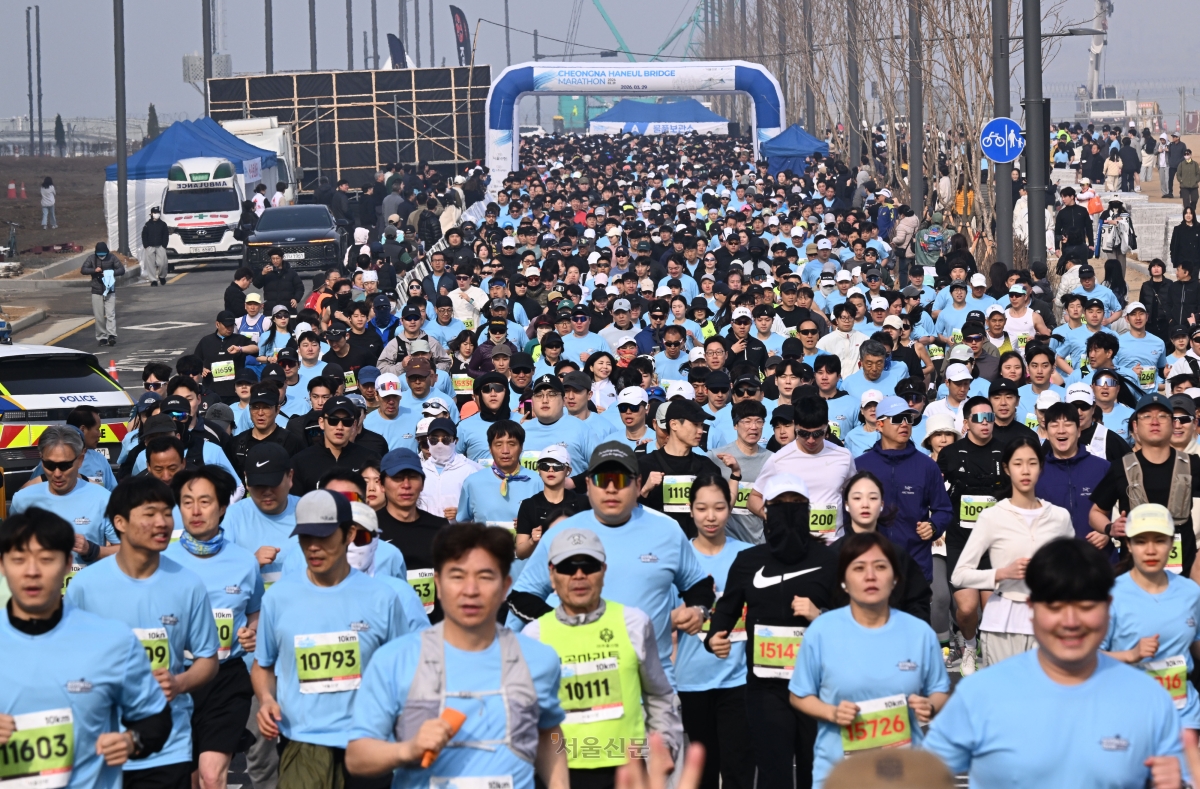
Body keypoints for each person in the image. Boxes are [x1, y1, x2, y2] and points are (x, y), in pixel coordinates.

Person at [923, 538, 1186, 788]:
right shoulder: (979, 695)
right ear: (1031, 608)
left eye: (1085, 605)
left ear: (1108, 607)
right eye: (1055, 606)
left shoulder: (1150, 699)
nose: (1070, 621)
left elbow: (1176, 773)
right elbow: (920, 777)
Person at [345, 522, 570, 789]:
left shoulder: (539, 659)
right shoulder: (394, 660)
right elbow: (357, 757)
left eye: (485, 576)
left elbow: (549, 733)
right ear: (438, 584)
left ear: (505, 586)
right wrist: (407, 750)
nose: (471, 590)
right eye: (457, 576)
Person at [509, 442, 716, 689]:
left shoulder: (667, 529)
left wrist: (699, 610)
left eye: (620, 479)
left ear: (638, 484)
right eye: (601, 479)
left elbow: (698, 584)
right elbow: (522, 596)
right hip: (581, 683)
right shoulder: (563, 532)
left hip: (650, 686)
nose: (610, 488)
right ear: (588, 485)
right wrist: (569, 627)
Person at [0, 507, 175, 789]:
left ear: (68, 562)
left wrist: (131, 741)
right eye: (19, 560)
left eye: (46, 559)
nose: (32, 572)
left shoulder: (112, 640)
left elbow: (155, 718)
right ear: (2, 565)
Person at [67, 477, 221, 789]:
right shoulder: (84, 587)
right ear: (120, 522)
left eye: (167, 512)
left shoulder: (188, 584)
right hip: (101, 747)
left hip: (169, 745)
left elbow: (208, 659)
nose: (162, 522)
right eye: (149, 514)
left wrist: (179, 683)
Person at [251, 489, 409, 789]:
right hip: (302, 742)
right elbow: (263, 665)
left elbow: (401, 673)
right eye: (305, 537)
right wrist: (267, 699)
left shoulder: (382, 598)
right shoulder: (279, 597)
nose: (313, 547)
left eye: (323, 536)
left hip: (368, 742)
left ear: (349, 533)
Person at [522, 528, 684, 788]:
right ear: (552, 575)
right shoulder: (534, 636)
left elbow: (659, 695)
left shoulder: (634, 623)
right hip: (559, 774)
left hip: (626, 771)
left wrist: (664, 749)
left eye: (589, 565)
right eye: (567, 567)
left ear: (604, 571)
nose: (579, 575)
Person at [705, 473, 837, 789]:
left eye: (796, 505)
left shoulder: (828, 559)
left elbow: (849, 620)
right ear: (765, 510)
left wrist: (818, 615)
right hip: (765, 688)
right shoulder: (748, 561)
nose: (788, 511)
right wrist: (715, 637)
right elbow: (727, 608)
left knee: (814, 773)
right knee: (773, 774)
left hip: (816, 686)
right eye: (780, 505)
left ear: (808, 510)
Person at [789, 531, 950, 788]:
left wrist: (929, 705)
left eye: (880, 567)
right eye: (859, 568)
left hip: (904, 773)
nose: (870, 576)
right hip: (838, 773)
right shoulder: (821, 631)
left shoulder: (920, 633)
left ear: (895, 578)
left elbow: (940, 689)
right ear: (843, 580)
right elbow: (799, 694)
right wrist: (831, 712)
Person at [164, 466, 263, 789]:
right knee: (186, 777)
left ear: (222, 508)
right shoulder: (162, 558)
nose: (195, 510)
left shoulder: (244, 561)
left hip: (226, 679)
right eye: (187, 501)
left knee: (211, 774)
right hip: (177, 676)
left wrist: (252, 632)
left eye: (205, 502)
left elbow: (255, 612)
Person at [951, 437, 1075, 666]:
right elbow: (959, 575)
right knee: (1004, 697)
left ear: (1041, 466)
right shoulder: (991, 517)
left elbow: (1075, 573)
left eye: (1032, 463)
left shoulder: (1060, 517)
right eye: (1018, 464)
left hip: (1049, 621)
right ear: (1006, 468)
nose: (1025, 471)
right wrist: (1001, 573)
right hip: (1001, 624)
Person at [674, 475, 755, 789]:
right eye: (702, 508)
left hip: (739, 680)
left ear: (730, 507)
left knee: (739, 771)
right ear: (690, 509)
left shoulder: (748, 557)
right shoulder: (678, 558)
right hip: (692, 681)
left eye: (719, 508)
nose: (711, 516)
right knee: (702, 775)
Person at [1103, 502, 1200, 746]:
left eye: (1159, 540)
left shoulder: (1191, 592)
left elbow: (1196, 645)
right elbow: (1085, 658)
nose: (1151, 550)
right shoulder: (1110, 596)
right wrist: (1131, 654)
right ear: (1128, 545)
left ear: (1171, 544)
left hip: (1183, 714)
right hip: (1127, 713)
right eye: (1141, 541)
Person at [1090, 392, 1200, 584]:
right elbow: (1096, 512)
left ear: (1173, 423)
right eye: (1147, 416)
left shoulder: (1193, 465)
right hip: (1134, 574)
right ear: (1135, 426)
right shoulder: (1120, 468)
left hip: (1183, 577)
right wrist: (1110, 528)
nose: (1155, 421)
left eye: (1163, 416)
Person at [936, 396, 1007, 675]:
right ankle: (968, 644)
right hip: (960, 541)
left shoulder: (1005, 451)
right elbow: (938, 493)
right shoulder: (951, 454)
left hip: (994, 544)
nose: (986, 423)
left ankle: (989, 656)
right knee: (966, 610)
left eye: (989, 417)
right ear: (966, 423)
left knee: (991, 611)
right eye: (978, 418)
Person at [11, 425, 118, 577]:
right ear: (41, 460)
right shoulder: (22, 500)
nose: (57, 473)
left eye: (65, 465)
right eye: (50, 465)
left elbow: (125, 551)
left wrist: (92, 550)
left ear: (80, 460)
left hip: (86, 597)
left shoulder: (104, 499)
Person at [748, 395, 856, 545]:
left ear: (826, 428)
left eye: (817, 434)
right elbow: (754, 498)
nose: (811, 440)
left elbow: (853, 495)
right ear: (795, 427)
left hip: (834, 546)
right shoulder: (778, 459)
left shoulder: (844, 456)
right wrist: (775, 518)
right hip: (794, 545)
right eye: (803, 434)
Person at [830, 471, 932, 622]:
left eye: (873, 498)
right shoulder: (832, 555)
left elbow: (918, 603)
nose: (865, 504)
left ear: (881, 504)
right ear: (846, 505)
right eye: (857, 498)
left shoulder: (897, 555)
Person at [373, 448, 452, 620]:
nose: (406, 485)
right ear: (381, 484)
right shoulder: (369, 530)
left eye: (413, 477)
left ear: (422, 483)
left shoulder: (440, 528)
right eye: (397, 478)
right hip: (387, 625)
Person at [638, 399, 727, 538]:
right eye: (695, 424)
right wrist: (644, 491)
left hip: (698, 550)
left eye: (702, 425)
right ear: (674, 424)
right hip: (659, 549)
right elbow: (629, 517)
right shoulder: (644, 465)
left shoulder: (708, 468)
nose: (701, 431)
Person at [516, 445, 587, 560]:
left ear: (568, 471)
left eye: (558, 466)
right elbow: (520, 552)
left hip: (575, 570)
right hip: (541, 573)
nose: (551, 470)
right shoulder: (528, 505)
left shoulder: (583, 503)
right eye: (545, 466)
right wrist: (532, 541)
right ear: (539, 470)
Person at [81, 241, 125, 347]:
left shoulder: (112, 258)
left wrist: (110, 272)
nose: (102, 256)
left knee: (110, 314)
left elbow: (121, 270)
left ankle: (111, 335)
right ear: (96, 253)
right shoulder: (91, 258)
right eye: (100, 254)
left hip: (110, 290)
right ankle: (102, 337)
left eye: (103, 254)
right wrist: (94, 270)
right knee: (99, 316)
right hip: (96, 291)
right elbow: (83, 270)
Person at [141, 205, 169, 286]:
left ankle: (162, 276)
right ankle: (153, 280)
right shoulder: (147, 225)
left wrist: (164, 245)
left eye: (158, 213)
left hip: (160, 246)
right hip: (150, 246)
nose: (157, 214)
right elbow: (144, 235)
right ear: (151, 214)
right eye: (155, 213)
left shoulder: (163, 224)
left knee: (162, 263)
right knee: (151, 264)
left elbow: (165, 235)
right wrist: (146, 245)